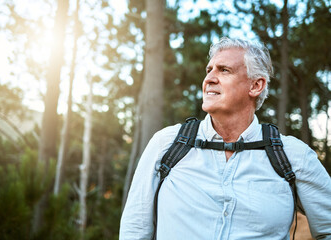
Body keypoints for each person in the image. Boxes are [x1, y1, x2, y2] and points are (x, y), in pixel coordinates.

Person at [119, 37, 331, 240]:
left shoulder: (294, 155)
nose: (209, 79)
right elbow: (134, 231)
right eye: (209, 70)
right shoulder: (166, 144)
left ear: (256, 86)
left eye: (224, 70)